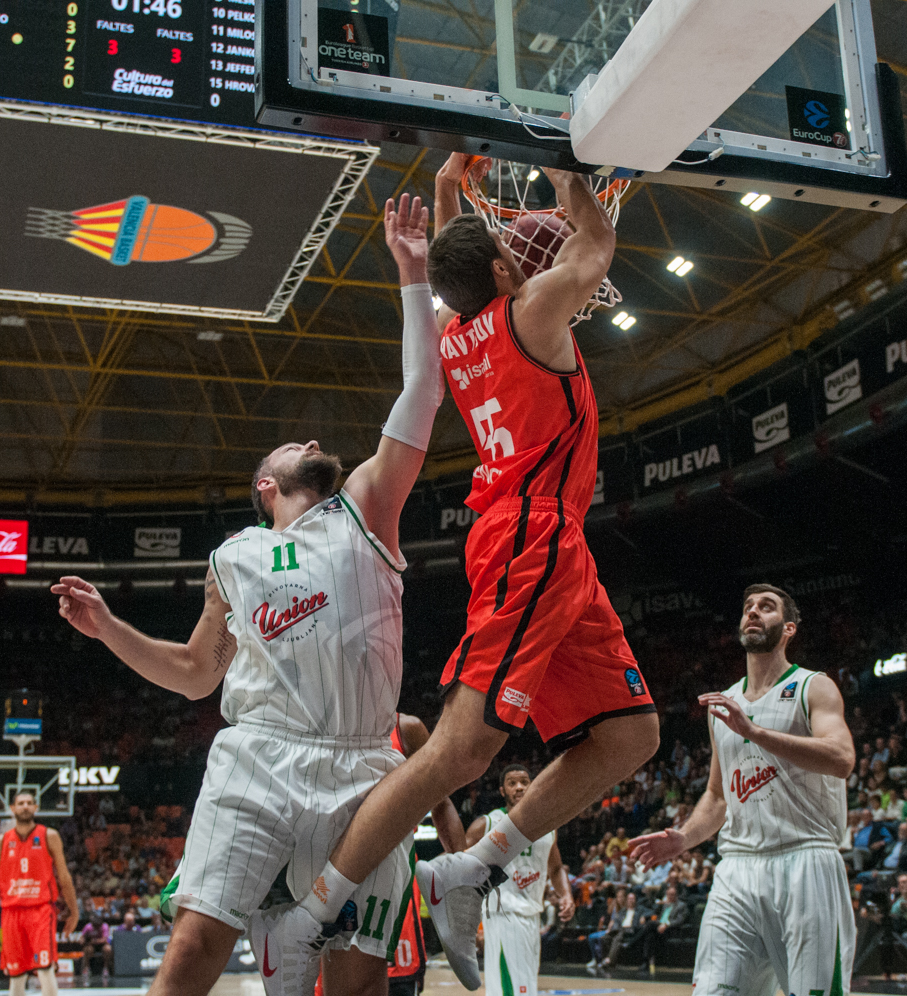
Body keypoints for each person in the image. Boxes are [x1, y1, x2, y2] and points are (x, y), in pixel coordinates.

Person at [253, 155, 659, 996]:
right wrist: (566, 175)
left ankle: (468, 867)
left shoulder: (456, 328)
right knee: (460, 748)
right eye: (513, 253)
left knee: (632, 736)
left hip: (548, 542)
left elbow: (459, 271)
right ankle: (311, 913)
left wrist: (447, 195)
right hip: (531, 534)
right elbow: (595, 245)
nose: (523, 257)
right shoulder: (532, 313)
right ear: (507, 275)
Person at [51, 194, 447, 996]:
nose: (313, 439)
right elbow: (197, 672)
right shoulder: (234, 556)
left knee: (357, 982)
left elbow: (423, 391)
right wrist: (109, 629)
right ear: (266, 484)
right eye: (294, 444)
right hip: (261, 756)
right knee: (193, 947)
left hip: (365, 767)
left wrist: (412, 273)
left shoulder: (368, 507)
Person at [630, 585, 856, 996]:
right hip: (737, 868)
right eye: (748, 607)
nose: (753, 612)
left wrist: (755, 732)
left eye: (766, 607)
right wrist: (685, 837)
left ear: (788, 628)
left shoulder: (812, 686)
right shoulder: (725, 704)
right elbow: (718, 796)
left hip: (805, 860)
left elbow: (841, 758)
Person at [469, 765, 572, 996]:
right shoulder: (488, 823)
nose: (519, 787)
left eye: (524, 782)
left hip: (532, 915)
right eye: (512, 783)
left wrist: (566, 895)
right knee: (515, 989)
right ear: (502, 790)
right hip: (503, 914)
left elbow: (556, 868)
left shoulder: (547, 825)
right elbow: (459, 858)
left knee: (524, 985)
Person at [0, 790, 79, 996]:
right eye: (21, 803)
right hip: (11, 912)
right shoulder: (1, 841)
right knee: (16, 976)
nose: (25, 806)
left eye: (29, 803)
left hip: (40, 910)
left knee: (45, 969)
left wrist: (74, 912)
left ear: (36, 808)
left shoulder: (49, 836)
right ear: (12, 808)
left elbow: (64, 877)